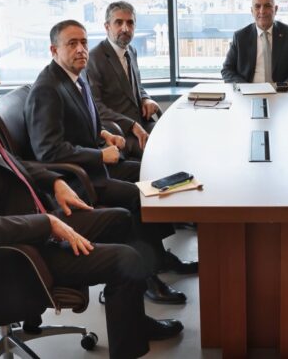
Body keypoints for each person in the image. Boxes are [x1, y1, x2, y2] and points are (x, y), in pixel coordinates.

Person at [0, 36, 183, 359]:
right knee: (126, 260)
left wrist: (54, 181)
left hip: (31, 224)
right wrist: (47, 224)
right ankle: (129, 349)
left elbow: (14, 163)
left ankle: (133, 322)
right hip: (12, 255)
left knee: (122, 219)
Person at [25, 20, 196, 306]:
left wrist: (103, 134)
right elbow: (48, 150)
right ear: (54, 50)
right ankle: (147, 277)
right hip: (77, 180)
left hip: (93, 166)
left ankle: (159, 257)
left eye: (83, 42)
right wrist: (99, 155)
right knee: (136, 195)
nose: (81, 49)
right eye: (72, 44)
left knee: (148, 173)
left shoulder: (75, 77)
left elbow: (76, 125)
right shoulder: (47, 89)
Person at [86, 1, 161, 159]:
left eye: (130, 23)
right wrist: (131, 125)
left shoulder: (131, 51)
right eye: (118, 23)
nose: (125, 28)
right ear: (107, 27)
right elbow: (96, 107)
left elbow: (136, 87)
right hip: (119, 132)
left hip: (142, 122)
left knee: (174, 141)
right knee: (158, 155)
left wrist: (145, 98)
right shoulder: (93, 59)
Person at [221, 0, 288, 83]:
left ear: (275, 9)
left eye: (267, 6)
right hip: (249, 90)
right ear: (252, 11)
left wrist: (285, 86)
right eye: (257, 6)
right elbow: (227, 70)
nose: (262, 11)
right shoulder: (240, 37)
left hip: (281, 90)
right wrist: (245, 87)